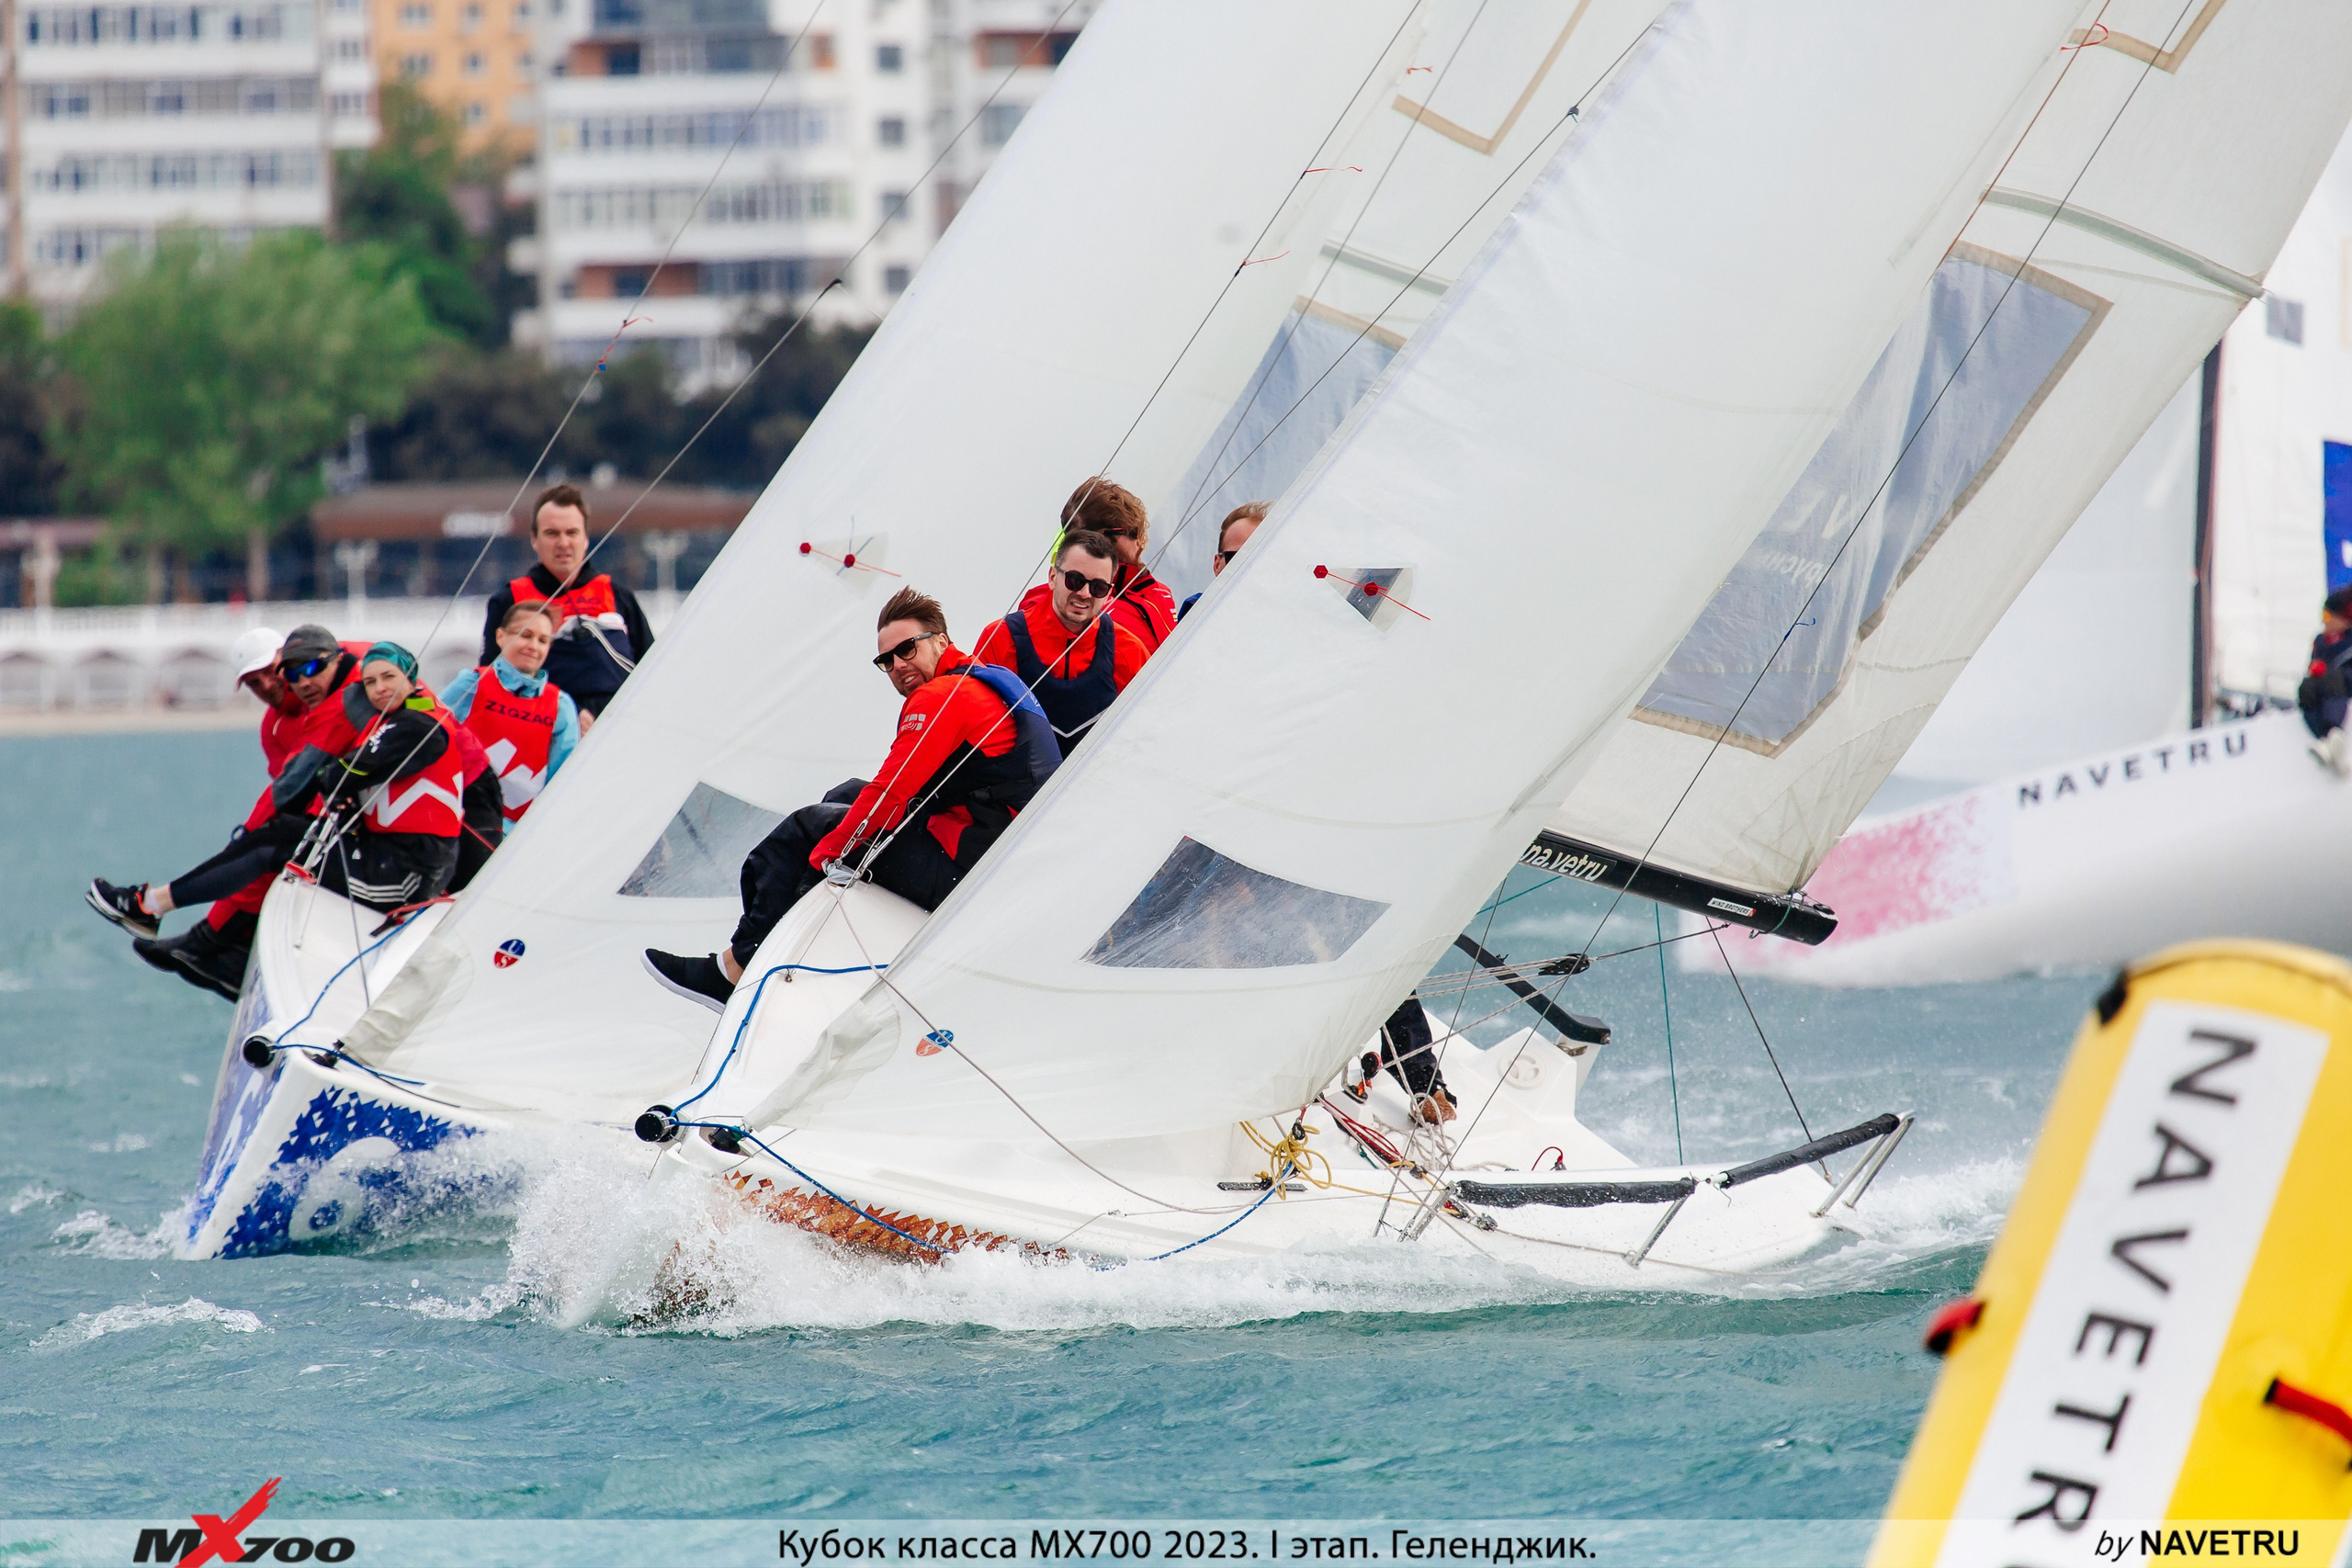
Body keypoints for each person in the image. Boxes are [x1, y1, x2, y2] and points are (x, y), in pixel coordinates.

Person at [642, 587, 1059, 1012]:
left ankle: (735, 970)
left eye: (907, 649)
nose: (898, 665)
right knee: (844, 796)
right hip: (999, 864)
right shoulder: (980, 679)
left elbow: (891, 794)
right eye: (887, 661)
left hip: (973, 878)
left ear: (941, 641)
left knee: (809, 828)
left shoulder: (942, 698)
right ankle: (796, 940)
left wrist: (827, 852)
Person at [87, 625, 368, 998]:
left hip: (369, 830)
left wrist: (253, 834)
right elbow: (286, 791)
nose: (269, 685)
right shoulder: (276, 728)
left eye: (275, 672)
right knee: (260, 843)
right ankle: (211, 942)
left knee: (262, 845)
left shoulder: (346, 688)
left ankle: (199, 935)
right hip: (339, 819)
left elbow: (292, 789)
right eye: (254, 683)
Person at [102, 645, 473, 927]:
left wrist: (337, 783)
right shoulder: (405, 720)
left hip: (408, 876)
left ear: (411, 678)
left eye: (389, 678)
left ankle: (152, 905)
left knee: (273, 845)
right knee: (280, 834)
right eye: (370, 682)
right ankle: (152, 903)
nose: (378, 689)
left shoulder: (419, 726)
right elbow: (351, 777)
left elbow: (340, 774)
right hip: (390, 855)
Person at [478, 482, 654, 718]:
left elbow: (655, 670)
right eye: (552, 533)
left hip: (617, 727)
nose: (563, 543)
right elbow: (488, 683)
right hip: (545, 725)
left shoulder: (619, 597)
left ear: (586, 539)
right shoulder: (509, 600)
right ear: (534, 539)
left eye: (572, 533)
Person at [970, 528, 1149, 756]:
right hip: (1020, 786)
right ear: (1053, 577)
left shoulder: (1128, 650)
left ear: (1108, 593)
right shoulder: (1002, 637)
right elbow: (974, 724)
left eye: (1098, 587)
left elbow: (1147, 731)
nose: (1085, 593)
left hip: (1095, 785)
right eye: (1075, 580)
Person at [443, 602, 582, 827]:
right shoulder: (472, 683)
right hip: (467, 823)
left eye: (543, 640)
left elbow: (563, 777)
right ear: (500, 637)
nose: (533, 646)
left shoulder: (561, 705)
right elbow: (432, 733)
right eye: (525, 635)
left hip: (523, 834)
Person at [1058, 476, 1177, 650]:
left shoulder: (1160, 592)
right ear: (1102, 539)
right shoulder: (1072, 601)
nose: (1141, 538)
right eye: (1133, 530)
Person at [1178, 501, 1264, 620]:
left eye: (1257, 559)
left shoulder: (1288, 621)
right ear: (1217, 565)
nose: (1245, 568)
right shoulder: (1195, 614)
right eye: (1235, 558)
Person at [2301, 585, 2352, 774]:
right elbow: (2314, 663)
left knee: (2333, 678)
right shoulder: (2321, 641)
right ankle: (2327, 739)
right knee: (2306, 689)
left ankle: (2332, 731)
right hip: (2327, 684)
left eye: (2328, 617)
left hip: (2344, 681)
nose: (2325, 622)